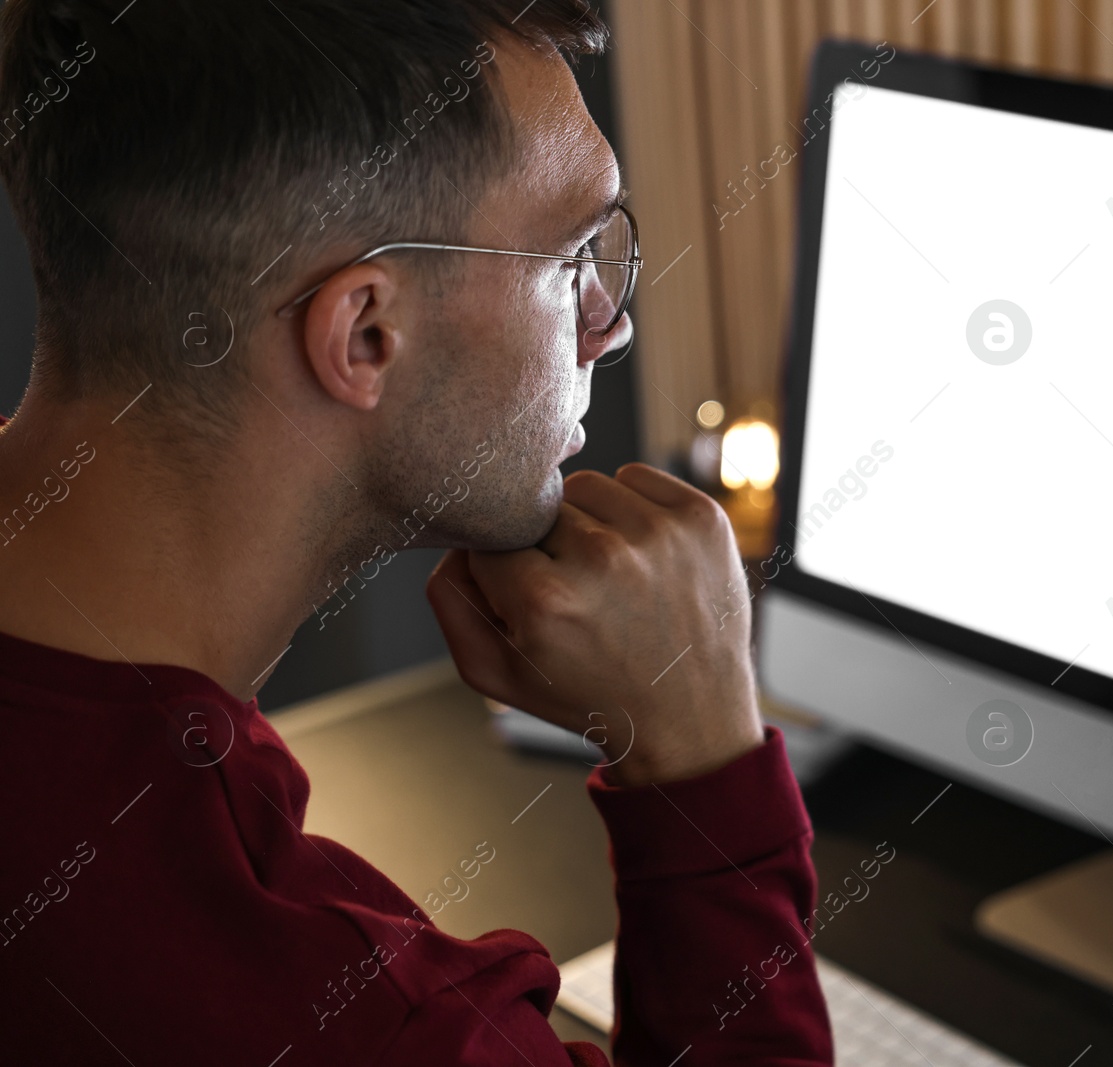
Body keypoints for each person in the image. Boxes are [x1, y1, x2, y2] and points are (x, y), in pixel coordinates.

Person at [0, 1, 831, 1063]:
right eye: (573, 251)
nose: (609, 319)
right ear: (367, 331)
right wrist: (705, 763)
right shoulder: (352, 1021)